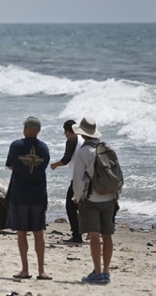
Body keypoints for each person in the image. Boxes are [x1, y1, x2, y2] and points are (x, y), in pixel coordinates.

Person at [72, 117, 118, 285]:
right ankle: (106, 272)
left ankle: (97, 272)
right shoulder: (106, 147)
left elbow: (78, 179)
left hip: (91, 199)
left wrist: (78, 198)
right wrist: (115, 194)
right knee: (107, 235)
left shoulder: (83, 152)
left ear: (82, 134)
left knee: (94, 236)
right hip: (109, 197)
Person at [5, 116, 52, 280]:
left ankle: (25, 269)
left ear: (25, 128)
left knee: (22, 232)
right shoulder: (44, 148)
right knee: (39, 233)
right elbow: (43, 166)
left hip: (20, 194)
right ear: (38, 131)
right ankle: (41, 271)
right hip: (38, 194)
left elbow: (10, 165)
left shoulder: (16, 146)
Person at [50, 119, 84, 244]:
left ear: (67, 131)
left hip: (77, 179)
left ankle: (77, 236)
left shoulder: (72, 139)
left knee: (70, 207)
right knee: (85, 208)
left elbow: (66, 159)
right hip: (90, 179)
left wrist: (55, 164)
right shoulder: (85, 139)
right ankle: (93, 233)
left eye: (65, 133)